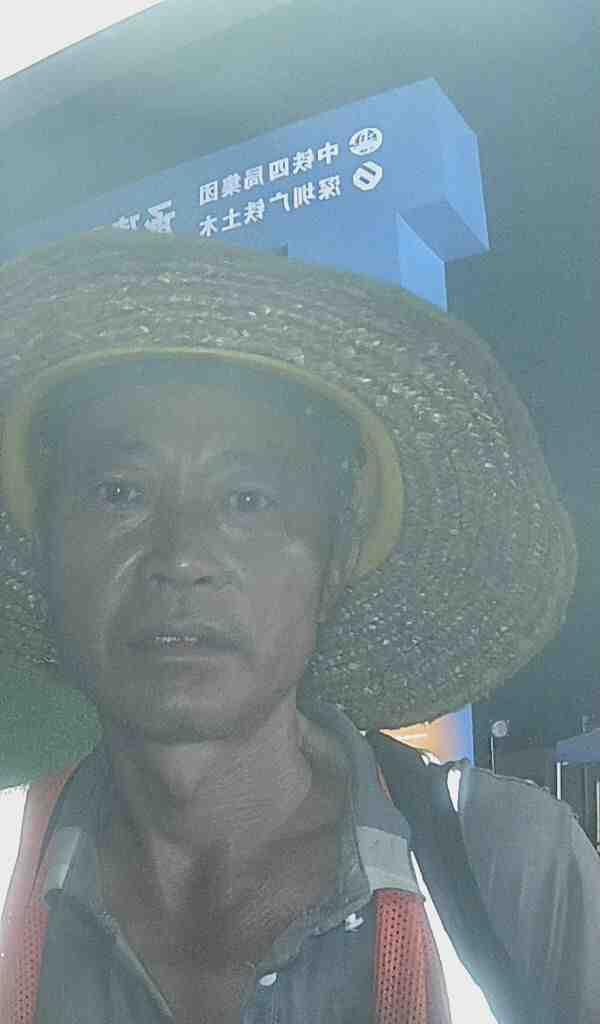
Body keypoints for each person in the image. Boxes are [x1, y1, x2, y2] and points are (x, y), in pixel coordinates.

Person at [0, 230, 596, 1024]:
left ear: (335, 557)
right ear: (45, 545)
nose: (182, 558)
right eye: (119, 492)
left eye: (248, 500)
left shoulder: (504, 866)